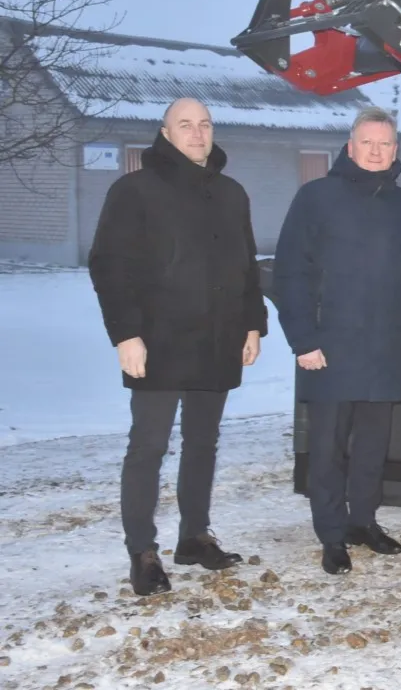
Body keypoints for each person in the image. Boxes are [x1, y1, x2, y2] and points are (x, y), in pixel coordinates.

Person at [88, 97, 268, 597]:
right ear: (165, 133)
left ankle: (194, 537)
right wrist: (126, 335)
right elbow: (109, 266)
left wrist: (252, 324)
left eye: (204, 124)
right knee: (148, 447)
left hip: (217, 338)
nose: (197, 133)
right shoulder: (134, 191)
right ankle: (142, 552)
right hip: (158, 341)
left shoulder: (231, 194)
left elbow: (247, 266)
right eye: (185, 125)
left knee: (203, 443)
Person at [272, 106, 401, 575]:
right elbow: (290, 273)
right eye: (367, 143)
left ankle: (363, 521)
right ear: (350, 146)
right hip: (330, 347)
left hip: (385, 346)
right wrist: (303, 339)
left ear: (395, 150)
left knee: (372, 445)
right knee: (327, 449)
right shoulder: (316, 198)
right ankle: (331, 534)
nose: (375, 151)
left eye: (384, 144)